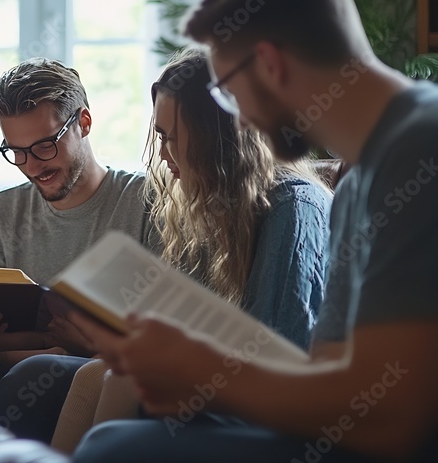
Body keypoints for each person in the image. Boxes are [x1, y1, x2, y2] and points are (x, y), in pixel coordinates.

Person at [70, 0, 438, 463]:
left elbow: (394, 419)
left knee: (116, 449)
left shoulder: (419, 146)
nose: (236, 118)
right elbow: (327, 376)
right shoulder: (359, 181)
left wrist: (202, 371)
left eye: (226, 91)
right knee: (115, 440)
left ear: (270, 63)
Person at [47, 46, 332, 451]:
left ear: (221, 139)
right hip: (227, 380)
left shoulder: (292, 207)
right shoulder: (217, 205)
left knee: (116, 403)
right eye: (160, 137)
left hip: (280, 403)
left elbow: (283, 349)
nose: (163, 154)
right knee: (92, 375)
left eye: (175, 139)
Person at [0, 57, 159, 421]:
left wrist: (88, 346)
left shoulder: (146, 201)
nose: (32, 166)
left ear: (84, 122)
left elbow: (164, 330)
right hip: (17, 365)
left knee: (32, 378)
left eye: (45, 146)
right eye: (16, 152)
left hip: (106, 368)